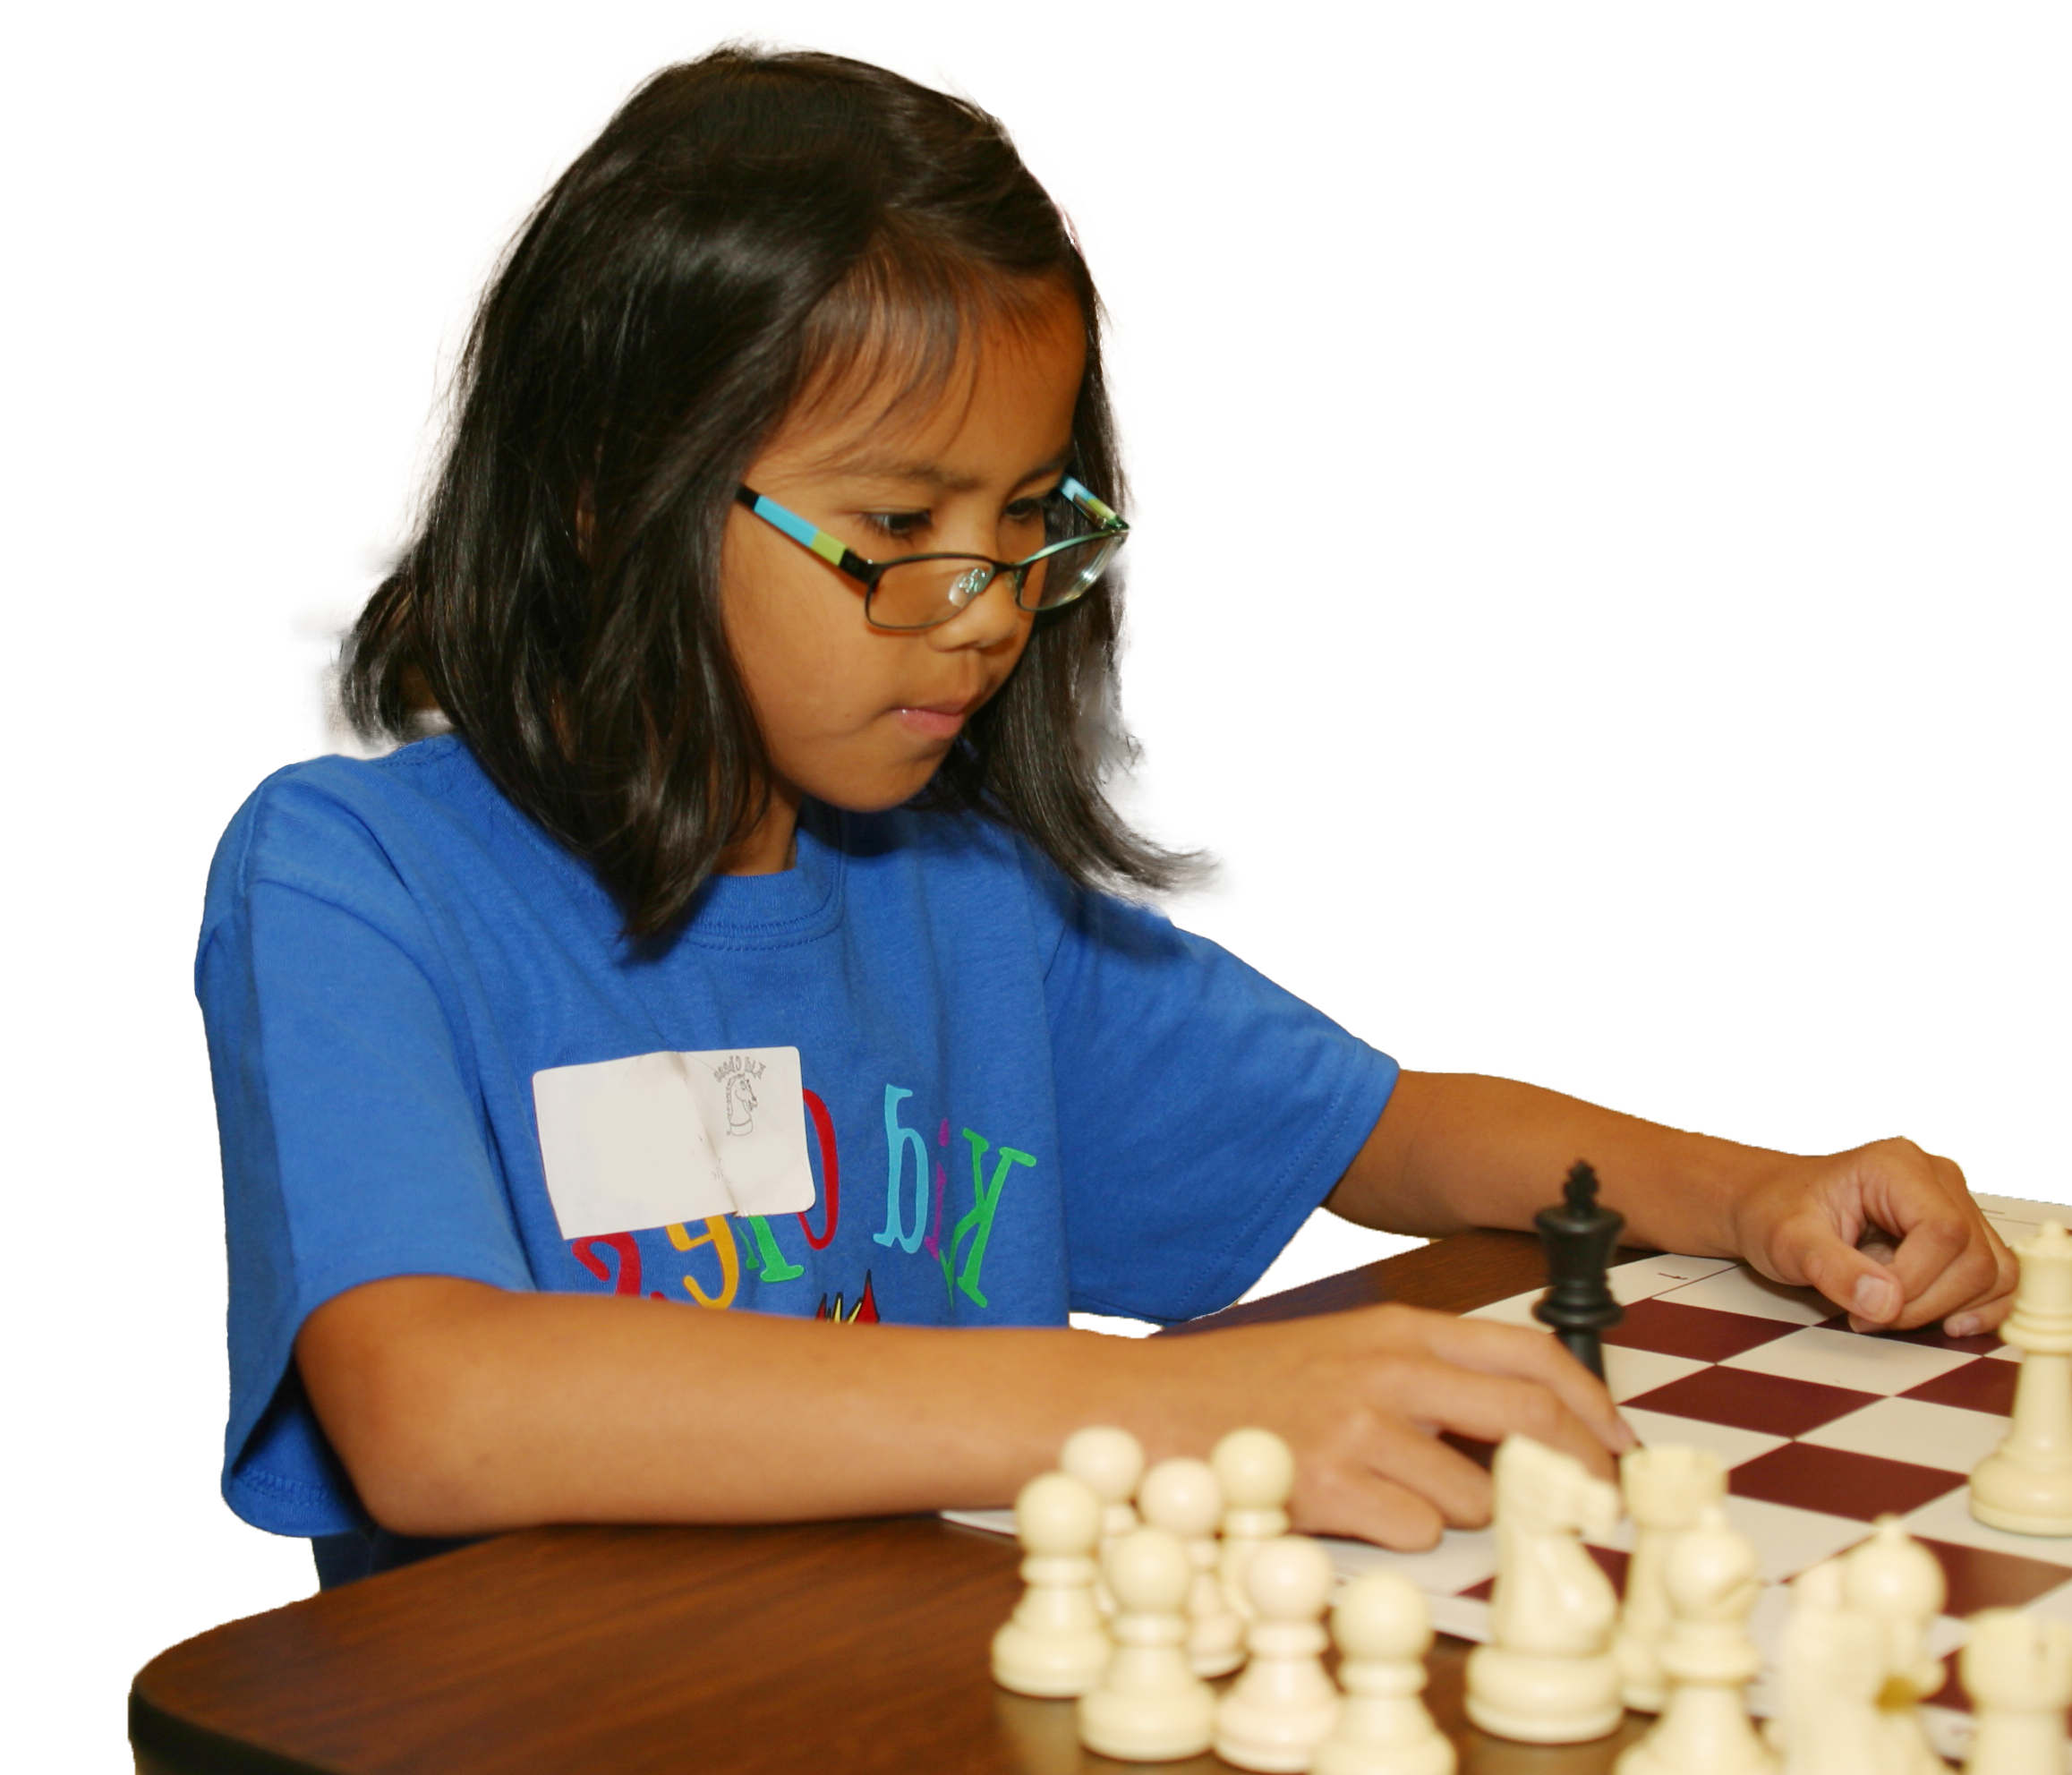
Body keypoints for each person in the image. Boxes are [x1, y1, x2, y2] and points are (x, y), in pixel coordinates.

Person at [204, 27, 2015, 1591]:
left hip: (936, 1676)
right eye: (898, 529)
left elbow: (1383, 1128)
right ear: (609, 497)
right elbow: (431, 1411)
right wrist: (1144, 1404)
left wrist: (1753, 1192)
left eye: (1022, 524)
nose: (986, 605)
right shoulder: (358, 877)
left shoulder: (962, 895)